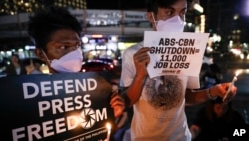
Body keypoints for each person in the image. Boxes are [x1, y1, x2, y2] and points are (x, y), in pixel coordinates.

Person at [119, 0, 237, 140]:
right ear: (151, 16)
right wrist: (140, 76)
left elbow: (187, 96)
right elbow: (126, 102)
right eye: (169, 12)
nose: (177, 20)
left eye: (183, 13)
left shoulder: (188, 52)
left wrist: (214, 91)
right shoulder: (133, 54)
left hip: (180, 137)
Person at [27, 6, 125, 119]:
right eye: (64, 46)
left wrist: (112, 113)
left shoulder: (97, 89)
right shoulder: (32, 99)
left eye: (77, 46)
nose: (74, 53)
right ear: (40, 54)